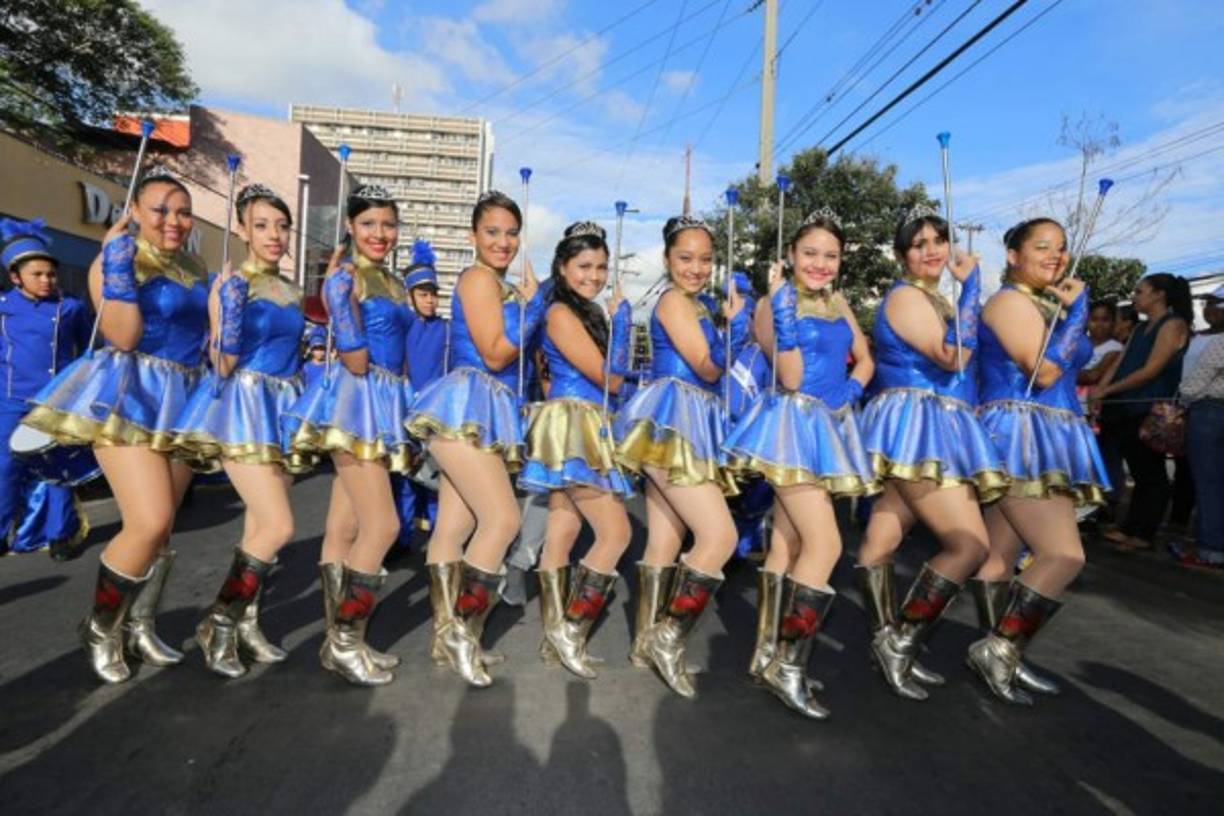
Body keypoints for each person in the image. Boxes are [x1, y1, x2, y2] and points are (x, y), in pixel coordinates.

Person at [23, 168, 209, 684]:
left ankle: (139, 624)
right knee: (148, 521)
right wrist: (118, 266)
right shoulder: (113, 258)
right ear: (135, 211)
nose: (173, 221)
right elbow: (124, 337)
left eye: (183, 211)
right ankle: (101, 626)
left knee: (164, 529)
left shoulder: (196, 265)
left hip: (183, 401)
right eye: (160, 209)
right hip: (128, 398)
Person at [723, 209, 877, 719]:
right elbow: (789, 377)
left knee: (787, 544)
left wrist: (849, 390)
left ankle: (766, 652)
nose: (820, 263)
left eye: (831, 255)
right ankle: (788, 667)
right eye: (810, 253)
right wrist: (783, 309)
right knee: (826, 544)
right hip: (790, 429)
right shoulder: (772, 303)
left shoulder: (839, 301)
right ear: (790, 255)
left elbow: (866, 359)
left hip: (828, 429)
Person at [855, 205, 1003, 701]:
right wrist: (972, 287)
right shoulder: (907, 297)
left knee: (884, 532)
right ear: (902, 254)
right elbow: (951, 356)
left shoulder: (932, 297)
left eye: (939, 240)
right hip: (918, 426)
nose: (933, 250)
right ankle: (899, 641)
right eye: (919, 244)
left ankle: (885, 639)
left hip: (933, 424)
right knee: (969, 546)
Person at [170, 184, 308, 678]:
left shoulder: (293, 291)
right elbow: (221, 363)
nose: (274, 235)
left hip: (282, 410)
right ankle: (220, 622)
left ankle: (247, 623)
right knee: (279, 526)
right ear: (242, 230)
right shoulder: (229, 284)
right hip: (242, 407)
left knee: (258, 527)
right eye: (262, 225)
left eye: (282, 226)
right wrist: (227, 315)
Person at [968, 218, 1108, 705]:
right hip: (1019, 435)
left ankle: (1000, 651)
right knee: (1064, 555)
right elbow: (1043, 370)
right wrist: (1080, 311)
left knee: (1000, 556)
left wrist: (1070, 313)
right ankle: (998, 649)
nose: (1057, 256)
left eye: (1062, 248)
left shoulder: (1047, 303)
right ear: (1013, 255)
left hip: (1049, 432)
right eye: (1043, 247)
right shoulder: (1009, 302)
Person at [406, 190, 543, 688]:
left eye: (512, 233)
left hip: (481, 410)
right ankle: (463, 634)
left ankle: (446, 636)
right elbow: (495, 354)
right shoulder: (479, 278)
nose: (503, 242)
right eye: (492, 232)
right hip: (467, 404)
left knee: (453, 527)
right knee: (503, 520)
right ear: (472, 236)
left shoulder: (498, 283)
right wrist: (535, 307)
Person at [612, 215, 750, 699]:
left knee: (665, 540)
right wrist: (737, 329)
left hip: (687, 422)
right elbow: (708, 368)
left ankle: (643, 643)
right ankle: (667, 636)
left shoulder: (700, 304)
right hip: (673, 422)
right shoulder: (673, 301)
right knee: (720, 536)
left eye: (706, 259)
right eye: (686, 258)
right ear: (668, 259)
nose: (696, 268)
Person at [284, 185, 415, 686]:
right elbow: (356, 360)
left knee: (344, 527)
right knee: (382, 527)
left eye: (388, 224)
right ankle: (345, 640)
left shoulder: (393, 280)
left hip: (385, 400)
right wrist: (340, 305)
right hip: (358, 401)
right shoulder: (346, 278)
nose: (380, 233)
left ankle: (341, 640)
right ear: (349, 227)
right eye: (368, 224)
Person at [519, 221, 634, 679]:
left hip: (577, 423)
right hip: (575, 426)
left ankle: (555, 640)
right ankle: (570, 630)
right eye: (584, 266)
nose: (594, 276)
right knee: (616, 533)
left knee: (563, 532)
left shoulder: (578, 312)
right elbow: (612, 379)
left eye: (601, 267)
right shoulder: (561, 313)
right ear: (563, 268)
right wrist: (623, 322)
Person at [0, 219, 93, 559]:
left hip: (56, 400)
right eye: (37, 274)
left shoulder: (71, 307)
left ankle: (60, 535)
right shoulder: (2, 308)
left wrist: (79, 387)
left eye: (51, 274)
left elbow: (88, 351)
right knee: (4, 469)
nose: (46, 280)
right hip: (10, 400)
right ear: (15, 277)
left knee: (58, 470)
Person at [1093, 274, 1192, 552]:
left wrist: (1110, 388)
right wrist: (1102, 389)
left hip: (1150, 407)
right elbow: (1120, 363)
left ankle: (1144, 533)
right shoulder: (1139, 328)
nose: (1134, 296)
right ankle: (1130, 527)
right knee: (1139, 470)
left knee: (1152, 473)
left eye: (1140, 291)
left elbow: (1152, 369)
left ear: (1159, 294)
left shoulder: (1172, 324)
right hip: (1126, 406)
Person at [390, 238, 448, 546]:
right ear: (410, 296)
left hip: (436, 409)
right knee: (405, 473)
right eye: (423, 294)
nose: (430, 300)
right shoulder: (403, 324)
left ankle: (441, 535)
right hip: (405, 406)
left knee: (437, 472)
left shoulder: (446, 328)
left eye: (433, 294)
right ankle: (401, 536)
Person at [1177, 284, 1224, 568]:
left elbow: (1193, 385)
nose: (1209, 310)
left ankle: (1211, 549)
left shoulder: (1219, 344)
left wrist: (1181, 402)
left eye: (1215, 304)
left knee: (1209, 484)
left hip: (1210, 412)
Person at [301, 327, 328, 392]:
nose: (319, 352)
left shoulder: (328, 367)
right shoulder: (306, 367)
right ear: (311, 350)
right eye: (316, 348)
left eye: (321, 348)